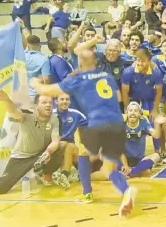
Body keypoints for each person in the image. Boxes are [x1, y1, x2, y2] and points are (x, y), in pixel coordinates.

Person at [30, 50, 137, 217]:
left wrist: (34, 81)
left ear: (79, 64)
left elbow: (45, 90)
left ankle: (87, 193)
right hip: (117, 124)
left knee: (83, 153)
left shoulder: (77, 79)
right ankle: (125, 191)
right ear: (95, 62)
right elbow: (118, 98)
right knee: (108, 169)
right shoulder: (107, 76)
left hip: (98, 124)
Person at [0, 93, 62, 194]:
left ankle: (46, 175)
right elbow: (13, 111)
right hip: (22, 157)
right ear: (36, 106)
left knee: (60, 148)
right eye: (44, 102)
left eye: (50, 103)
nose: (48, 105)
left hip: (40, 154)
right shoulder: (27, 115)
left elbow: (55, 141)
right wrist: (6, 100)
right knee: (1, 187)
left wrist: (47, 153)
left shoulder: (55, 119)